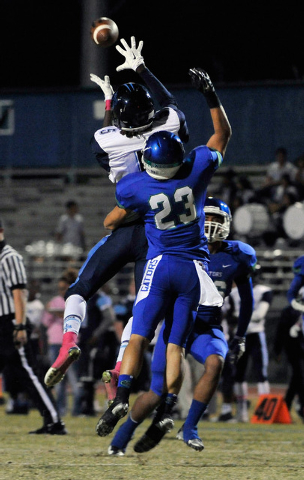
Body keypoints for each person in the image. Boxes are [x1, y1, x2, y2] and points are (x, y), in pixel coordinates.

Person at [95, 66, 231, 445]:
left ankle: (121, 396)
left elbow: (110, 221)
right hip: (193, 271)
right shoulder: (195, 169)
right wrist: (210, 97)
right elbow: (222, 136)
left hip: (159, 266)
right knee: (175, 346)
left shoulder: (135, 186)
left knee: (137, 336)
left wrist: (134, 213)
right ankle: (169, 407)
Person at [44, 36, 189, 389]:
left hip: (126, 224)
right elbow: (170, 103)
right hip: (159, 231)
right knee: (142, 309)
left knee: (79, 290)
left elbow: (108, 133)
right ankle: (122, 366)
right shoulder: (168, 124)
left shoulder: (107, 141)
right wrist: (141, 68)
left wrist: (109, 101)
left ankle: (68, 341)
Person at [107, 196, 256, 455]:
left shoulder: (238, 256)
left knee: (216, 362)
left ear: (227, 224)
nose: (209, 224)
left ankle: (190, 428)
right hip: (177, 324)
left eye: (215, 219)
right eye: (205, 217)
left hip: (206, 328)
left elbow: (247, 298)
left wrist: (241, 336)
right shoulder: (183, 248)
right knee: (156, 392)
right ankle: (121, 439)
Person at [0, 217, 66, 434]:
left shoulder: (10, 257)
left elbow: (19, 293)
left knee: (28, 373)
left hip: (10, 321)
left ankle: (54, 421)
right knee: (24, 375)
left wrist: (19, 326)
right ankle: (52, 420)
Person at [227, 270, 273, 422]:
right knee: (238, 375)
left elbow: (260, 315)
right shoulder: (234, 293)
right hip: (240, 336)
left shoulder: (264, 291)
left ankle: (265, 413)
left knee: (261, 373)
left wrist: (241, 316)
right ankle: (242, 414)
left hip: (256, 334)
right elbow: (229, 315)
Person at [42, 268, 81, 416]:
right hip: (55, 344)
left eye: (63, 289)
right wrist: (50, 312)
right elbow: (46, 322)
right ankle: (60, 410)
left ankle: (76, 410)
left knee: (73, 378)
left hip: (71, 345)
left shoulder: (76, 300)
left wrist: (58, 313)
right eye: (59, 289)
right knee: (58, 380)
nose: (61, 292)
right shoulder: (55, 301)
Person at [273, 304, 304, 421]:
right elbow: (281, 330)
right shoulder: (290, 310)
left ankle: (287, 405)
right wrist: (277, 349)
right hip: (294, 347)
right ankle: (300, 405)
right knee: (299, 375)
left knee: (297, 378)